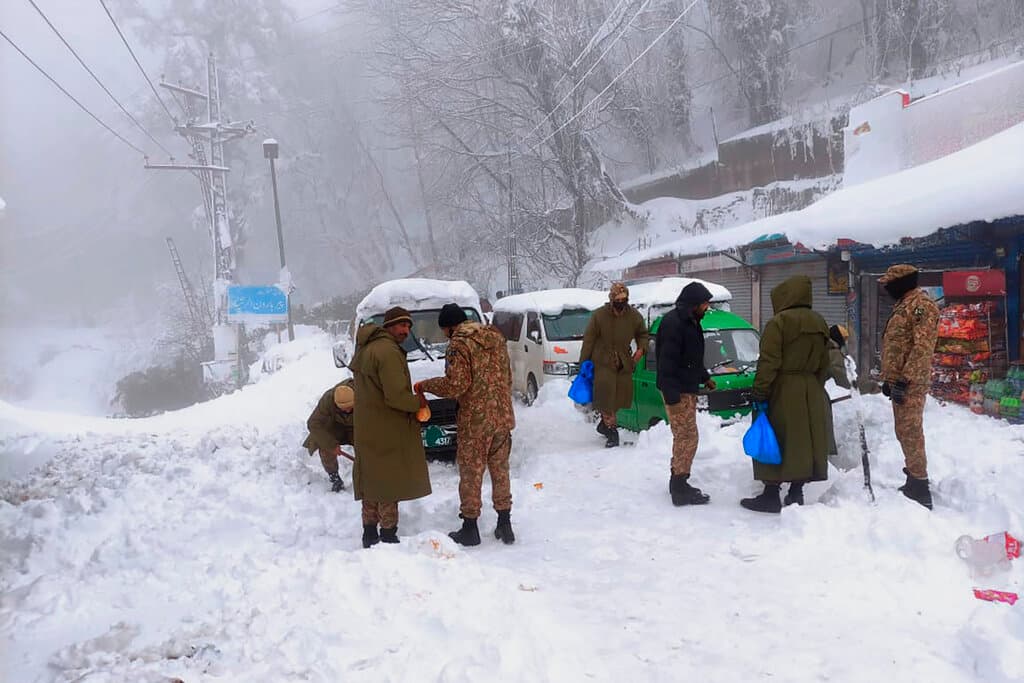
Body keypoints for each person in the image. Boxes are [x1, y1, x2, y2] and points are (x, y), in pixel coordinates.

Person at [417, 303, 517, 546]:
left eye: (443, 330)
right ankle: (505, 523)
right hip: (502, 417)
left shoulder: (459, 344)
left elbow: (456, 385)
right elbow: (508, 377)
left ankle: (470, 527)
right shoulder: (495, 337)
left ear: (450, 327)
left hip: (475, 422)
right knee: (500, 471)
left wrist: (425, 385)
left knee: (471, 474)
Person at [741, 276, 831, 513]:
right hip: (811, 388)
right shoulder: (820, 322)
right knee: (803, 440)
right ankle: (795, 493)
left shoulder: (779, 322)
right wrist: (813, 385)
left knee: (776, 436)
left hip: (782, 387)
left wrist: (760, 392)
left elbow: (769, 362)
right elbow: (826, 362)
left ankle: (770, 494)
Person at [349, 306, 433, 548]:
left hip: (368, 425)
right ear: (388, 326)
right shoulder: (388, 352)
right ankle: (388, 534)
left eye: (408, 326)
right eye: (401, 325)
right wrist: (418, 401)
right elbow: (396, 396)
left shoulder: (367, 348)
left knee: (372, 480)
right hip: (388, 425)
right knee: (389, 481)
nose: (405, 330)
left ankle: (368, 532)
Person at [879, 264, 939, 510]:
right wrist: (890, 379)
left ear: (902, 282)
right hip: (901, 381)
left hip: (911, 382)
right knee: (903, 430)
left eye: (890, 284)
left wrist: (905, 379)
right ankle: (913, 477)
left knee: (911, 431)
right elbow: (898, 346)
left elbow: (922, 348)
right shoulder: (904, 305)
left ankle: (921, 486)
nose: (887, 289)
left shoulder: (921, 306)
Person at [654, 282, 715, 506]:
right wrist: (672, 397)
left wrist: (704, 377)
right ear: (694, 304)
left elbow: (691, 358)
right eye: (705, 304)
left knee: (686, 437)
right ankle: (679, 488)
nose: (707, 308)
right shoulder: (674, 324)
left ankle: (678, 480)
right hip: (677, 391)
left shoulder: (690, 321)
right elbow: (667, 362)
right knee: (687, 437)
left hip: (685, 388)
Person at [580, 282, 649, 448]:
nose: (621, 302)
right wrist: (584, 363)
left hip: (624, 362)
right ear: (611, 299)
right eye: (618, 299)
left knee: (619, 398)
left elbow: (642, 334)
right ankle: (612, 432)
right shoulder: (599, 315)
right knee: (606, 398)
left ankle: (604, 425)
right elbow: (588, 340)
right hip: (602, 361)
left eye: (624, 299)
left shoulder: (633, 316)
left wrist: (641, 349)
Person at [302, 379, 355, 492]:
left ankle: (367, 477)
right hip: (336, 426)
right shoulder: (328, 399)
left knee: (367, 448)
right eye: (344, 408)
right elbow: (313, 423)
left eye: (350, 407)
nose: (347, 410)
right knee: (325, 447)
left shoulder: (365, 395)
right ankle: (335, 478)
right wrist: (331, 444)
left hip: (358, 427)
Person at [824, 324, 852, 461]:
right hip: (812, 394)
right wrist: (871, 386)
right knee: (821, 429)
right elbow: (843, 380)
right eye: (844, 340)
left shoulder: (817, 346)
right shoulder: (832, 352)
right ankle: (822, 460)